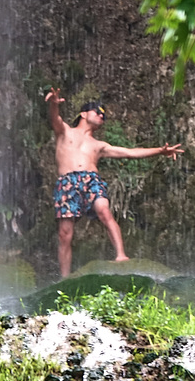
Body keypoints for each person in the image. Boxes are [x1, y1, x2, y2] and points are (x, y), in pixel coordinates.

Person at [44, 87, 184, 278]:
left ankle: (121, 255)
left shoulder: (99, 145)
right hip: (68, 182)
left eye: (104, 116)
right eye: (98, 112)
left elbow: (130, 152)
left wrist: (160, 150)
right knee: (65, 233)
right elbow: (55, 119)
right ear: (83, 113)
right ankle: (65, 278)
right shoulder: (65, 132)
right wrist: (53, 104)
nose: (102, 116)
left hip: (91, 179)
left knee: (104, 210)